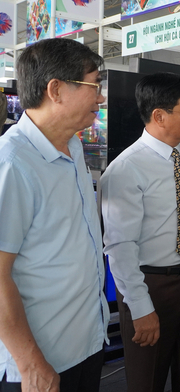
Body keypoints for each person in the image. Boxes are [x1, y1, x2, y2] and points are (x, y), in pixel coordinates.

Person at [0, 38, 110, 391]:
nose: (102, 98)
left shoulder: (73, 146)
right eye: (95, 86)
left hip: (85, 345)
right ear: (56, 90)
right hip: (39, 364)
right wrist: (30, 362)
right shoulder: (13, 164)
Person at [101, 73, 180, 392]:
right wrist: (140, 305)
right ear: (160, 115)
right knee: (147, 379)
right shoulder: (125, 170)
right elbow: (120, 247)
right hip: (152, 285)